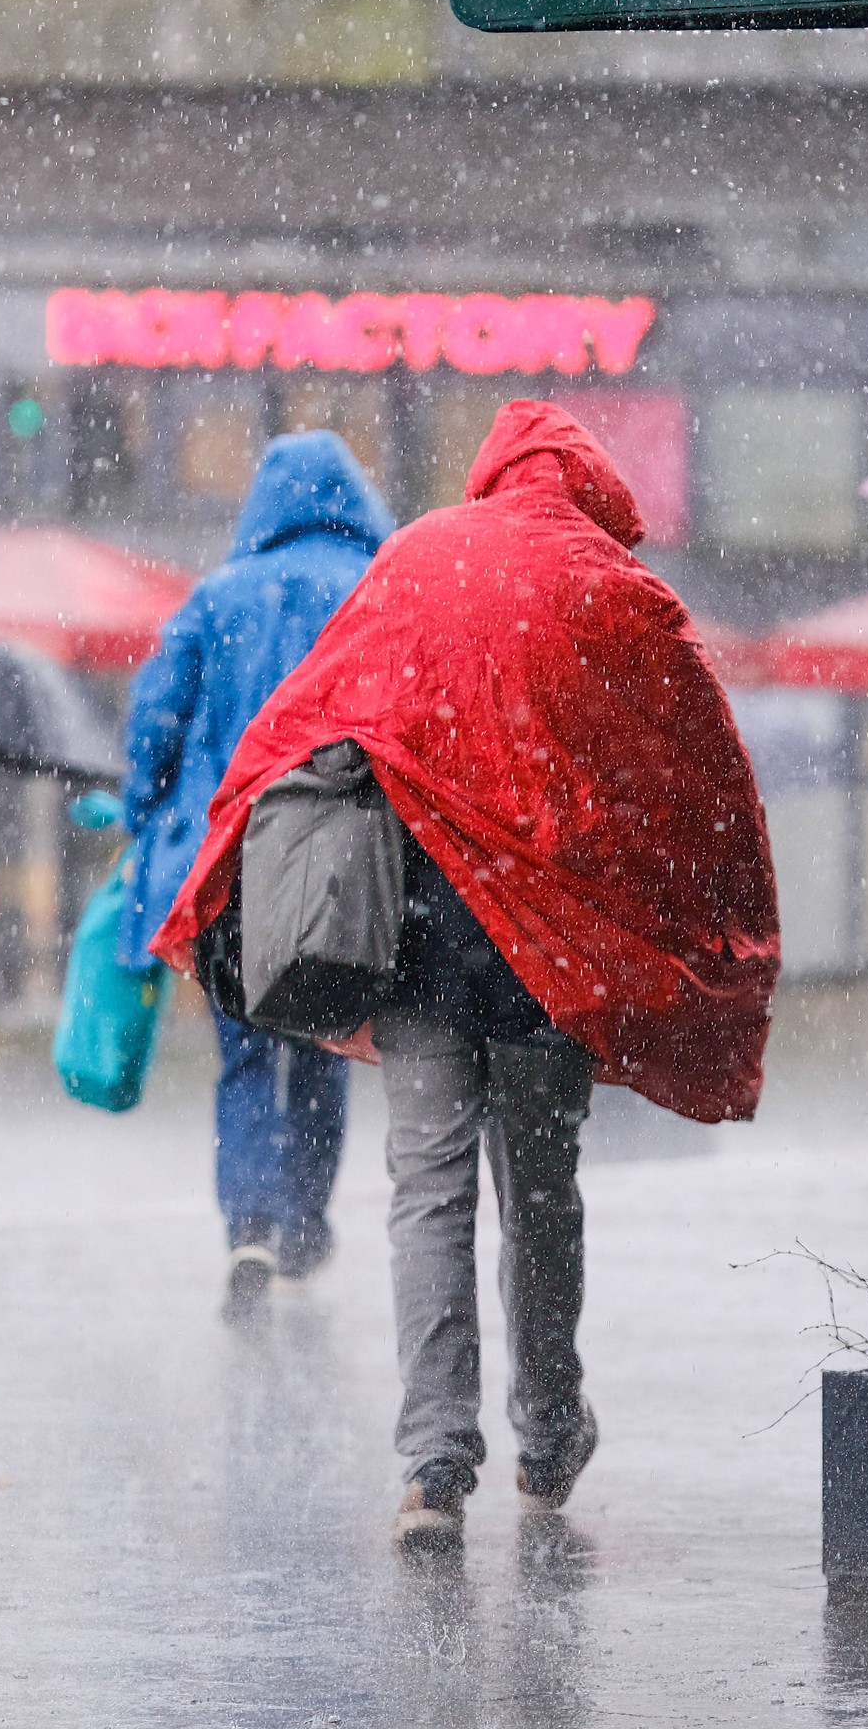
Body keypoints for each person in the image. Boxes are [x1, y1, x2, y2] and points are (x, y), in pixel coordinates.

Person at [150, 401, 779, 1549]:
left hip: (421, 938)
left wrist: (218, 862)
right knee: (540, 1195)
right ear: (589, 489)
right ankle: (549, 1431)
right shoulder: (618, 589)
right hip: (551, 953)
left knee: (427, 1192)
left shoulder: (419, 558)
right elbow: (695, 773)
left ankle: (433, 1465)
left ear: (492, 474)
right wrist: (707, 927)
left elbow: (309, 719)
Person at [120, 428, 396, 1314]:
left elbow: (155, 721)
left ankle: (248, 1221)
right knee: (322, 1039)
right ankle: (305, 1222)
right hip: (337, 860)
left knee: (243, 1053)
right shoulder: (379, 589)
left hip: (228, 861)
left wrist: (144, 815)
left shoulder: (217, 597)